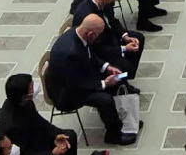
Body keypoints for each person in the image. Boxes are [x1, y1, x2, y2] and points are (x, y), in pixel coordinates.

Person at [46, 14, 141, 146]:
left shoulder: (78, 33)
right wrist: (103, 84)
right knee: (105, 99)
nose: (99, 38)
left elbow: (91, 56)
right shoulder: (71, 53)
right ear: (90, 34)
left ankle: (122, 120)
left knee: (117, 79)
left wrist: (106, 67)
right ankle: (113, 134)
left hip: (80, 77)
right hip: (67, 93)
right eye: (98, 35)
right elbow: (76, 85)